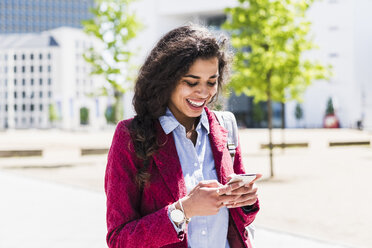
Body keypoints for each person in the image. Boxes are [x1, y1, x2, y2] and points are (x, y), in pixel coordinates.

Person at [105, 24, 260, 248]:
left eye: (211, 82)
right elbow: (119, 239)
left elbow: (240, 222)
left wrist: (245, 201)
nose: (204, 92)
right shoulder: (131, 136)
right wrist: (183, 210)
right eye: (191, 82)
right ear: (166, 79)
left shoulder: (224, 126)